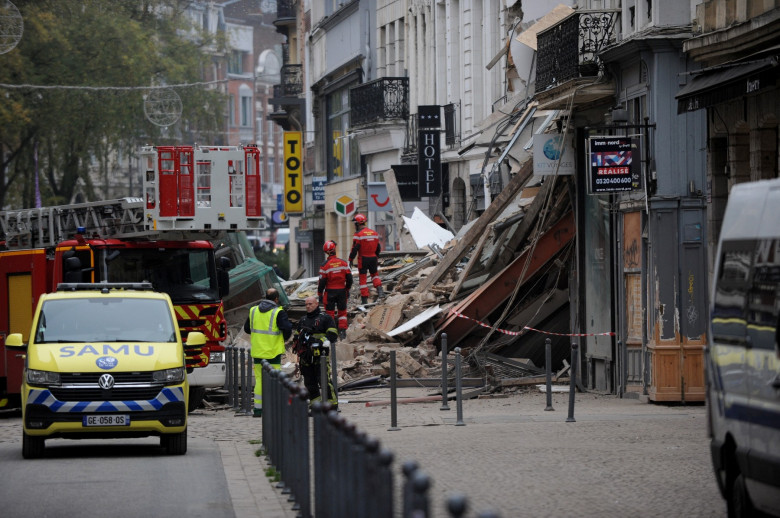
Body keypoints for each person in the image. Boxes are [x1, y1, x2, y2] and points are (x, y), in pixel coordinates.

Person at [243, 288, 293, 417]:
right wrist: (284, 338)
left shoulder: (253, 310)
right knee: (274, 380)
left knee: (259, 380)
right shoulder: (278, 312)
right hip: (273, 352)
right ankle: (273, 408)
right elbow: (287, 328)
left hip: (258, 352)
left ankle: (258, 409)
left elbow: (247, 329)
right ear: (276, 299)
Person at [293, 295, 339, 409]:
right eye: (306, 304)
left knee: (323, 379)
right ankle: (315, 405)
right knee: (309, 381)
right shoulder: (303, 320)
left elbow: (333, 334)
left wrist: (323, 341)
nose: (308, 306)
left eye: (310, 304)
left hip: (320, 355)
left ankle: (332, 405)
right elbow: (296, 335)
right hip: (305, 356)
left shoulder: (325, 318)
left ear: (316, 304)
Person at [318, 240, 353, 340]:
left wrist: (320, 294)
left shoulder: (324, 265)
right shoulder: (343, 263)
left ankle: (332, 333)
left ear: (326, 252)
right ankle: (342, 332)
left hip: (330, 292)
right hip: (342, 291)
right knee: (342, 313)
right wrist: (347, 289)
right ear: (334, 249)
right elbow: (349, 278)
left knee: (330, 313)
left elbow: (322, 282)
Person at [349, 213, 384, 304]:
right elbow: (378, 247)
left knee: (363, 280)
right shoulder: (374, 233)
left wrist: (350, 259)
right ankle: (380, 291)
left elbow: (355, 248)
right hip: (373, 258)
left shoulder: (358, 234)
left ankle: (364, 300)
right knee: (375, 275)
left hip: (363, 259)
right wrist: (376, 256)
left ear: (357, 223)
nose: (354, 225)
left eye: (354, 223)